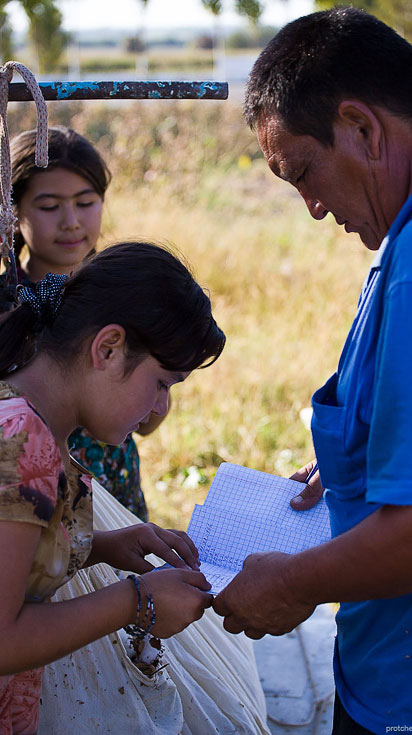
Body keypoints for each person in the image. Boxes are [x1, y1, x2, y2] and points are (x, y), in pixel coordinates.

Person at [211, 8, 412, 733]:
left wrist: (294, 582)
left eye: (304, 172)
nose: (311, 208)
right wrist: (363, 460)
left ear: (362, 127)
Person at [0, 241, 224, 734]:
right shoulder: (22, 441)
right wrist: (136, 600)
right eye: (163, 383)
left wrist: (102, 548)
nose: (161, 409)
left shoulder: (33, 421)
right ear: (107, 348)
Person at [7, 126, 161, 520]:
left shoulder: (124, 292)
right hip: (32, 503)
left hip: (114, 486)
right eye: (48, 206)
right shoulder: (8, 304)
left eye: (86, 201)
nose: (71, 221)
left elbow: (146, 424)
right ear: (12, 209)